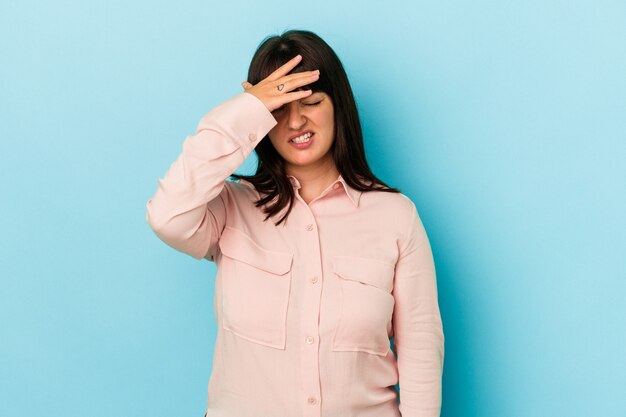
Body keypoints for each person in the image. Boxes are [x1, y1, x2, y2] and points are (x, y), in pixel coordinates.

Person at [145, 29, 444, 417]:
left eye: (311, 102)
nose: (295, 122)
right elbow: (166, 215)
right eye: (278, 109)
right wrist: (246, 109)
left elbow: (421, 351)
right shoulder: (231, 208)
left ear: (338, 106)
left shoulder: (395, 216)